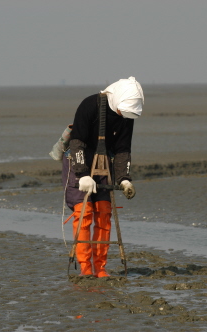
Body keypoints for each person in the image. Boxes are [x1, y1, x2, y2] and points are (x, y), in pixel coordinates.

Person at [62, 76, 144, 277]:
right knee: (84, 212)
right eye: (120, 111)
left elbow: (123, 149)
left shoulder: (127, 116)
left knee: (104, 212)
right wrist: (82, 174)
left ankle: (100, 267)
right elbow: (77, 141)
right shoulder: (90, 105)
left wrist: (124, 179)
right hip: (79, 157)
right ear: (116, 99)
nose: (121, 115)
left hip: (104, 161)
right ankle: (85, 267)